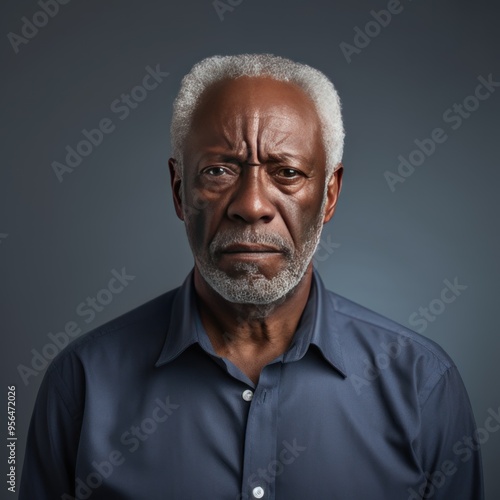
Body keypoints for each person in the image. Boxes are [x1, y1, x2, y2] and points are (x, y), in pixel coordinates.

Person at [20, 54, 483, 500]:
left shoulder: (424, 386)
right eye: (219, 171)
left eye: (287, 172)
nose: (253, 205)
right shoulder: (82, 384)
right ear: (180, 192)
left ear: (329, 196)